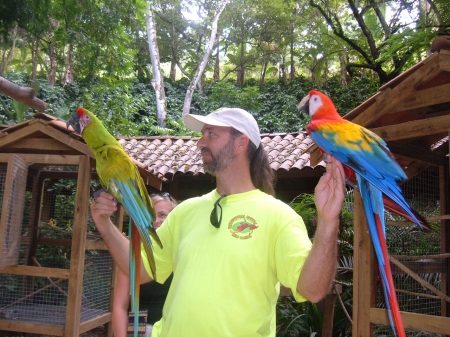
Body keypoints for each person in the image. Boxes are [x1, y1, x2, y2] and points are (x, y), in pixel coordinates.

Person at [91, 107, 346, 337]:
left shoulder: (278, 216)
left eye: (211, 134)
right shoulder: (185, 211)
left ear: (241, 143)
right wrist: (104, 224)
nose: (200, 142)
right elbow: (142, 270)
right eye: (203, 134)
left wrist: (327, 222)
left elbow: (312, 290)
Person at [112, 193, 177, 337]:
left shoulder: (181, 251)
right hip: (140, 328)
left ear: (174, 218)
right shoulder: (134, 252)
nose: (155, 221)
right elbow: (120, 306)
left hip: (174, 328)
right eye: (149, 215)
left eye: (162, 215)